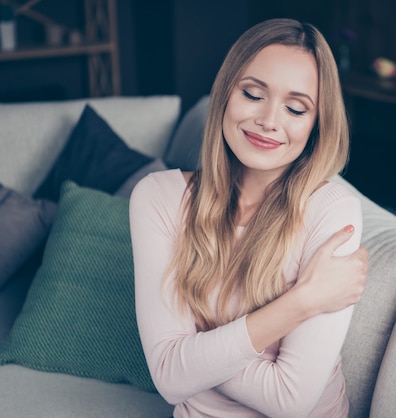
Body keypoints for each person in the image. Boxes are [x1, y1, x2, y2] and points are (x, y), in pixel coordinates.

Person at [129, 18, 368, 418]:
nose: (270, 120)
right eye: (254, 94)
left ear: (316, 124)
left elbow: (289, 400)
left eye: (295, 108)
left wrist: (195, 350)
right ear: (225, 94)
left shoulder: (333, 211)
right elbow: (169, 377)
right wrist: (303, 300)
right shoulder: (158, 197)